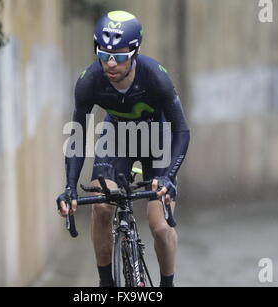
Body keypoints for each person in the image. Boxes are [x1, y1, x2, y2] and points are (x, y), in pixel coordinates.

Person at [57, 10, 190, 287]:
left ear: (134, 53)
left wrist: (168, 176)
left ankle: (167, 285)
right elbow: (77, 136)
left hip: (157, 140)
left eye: (118, 56)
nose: (110, 64)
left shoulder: (155, 77)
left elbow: (181, 129)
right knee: (102, 207)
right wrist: (70, 186)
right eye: (103, 54)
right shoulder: (89, 81)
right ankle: (106, 283)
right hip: (117, 137)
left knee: (160, 227)